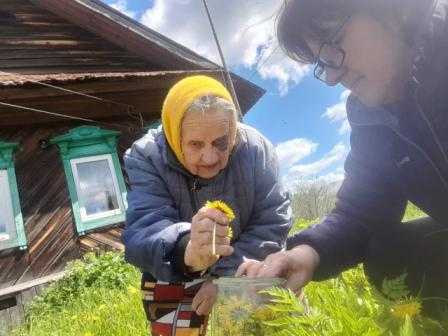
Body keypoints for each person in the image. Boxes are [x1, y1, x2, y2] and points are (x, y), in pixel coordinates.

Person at [237, 0, 448, 317]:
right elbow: (362, 212)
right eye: (322, 62)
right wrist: (305, 254)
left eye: (333, 44)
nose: (334, 77)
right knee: (388, 253)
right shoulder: (370, 115)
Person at [123, 75, 291, 335]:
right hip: (174, 267)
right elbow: (145, 228)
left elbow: (273, 219)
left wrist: (224, 279)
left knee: (267, 324)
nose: (210, 157)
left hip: (247, 260)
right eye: (195, 144)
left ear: (233, 131)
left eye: (221, 142)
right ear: (174, 134)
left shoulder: (256, 149)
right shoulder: (146, 155)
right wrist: (188, 251)